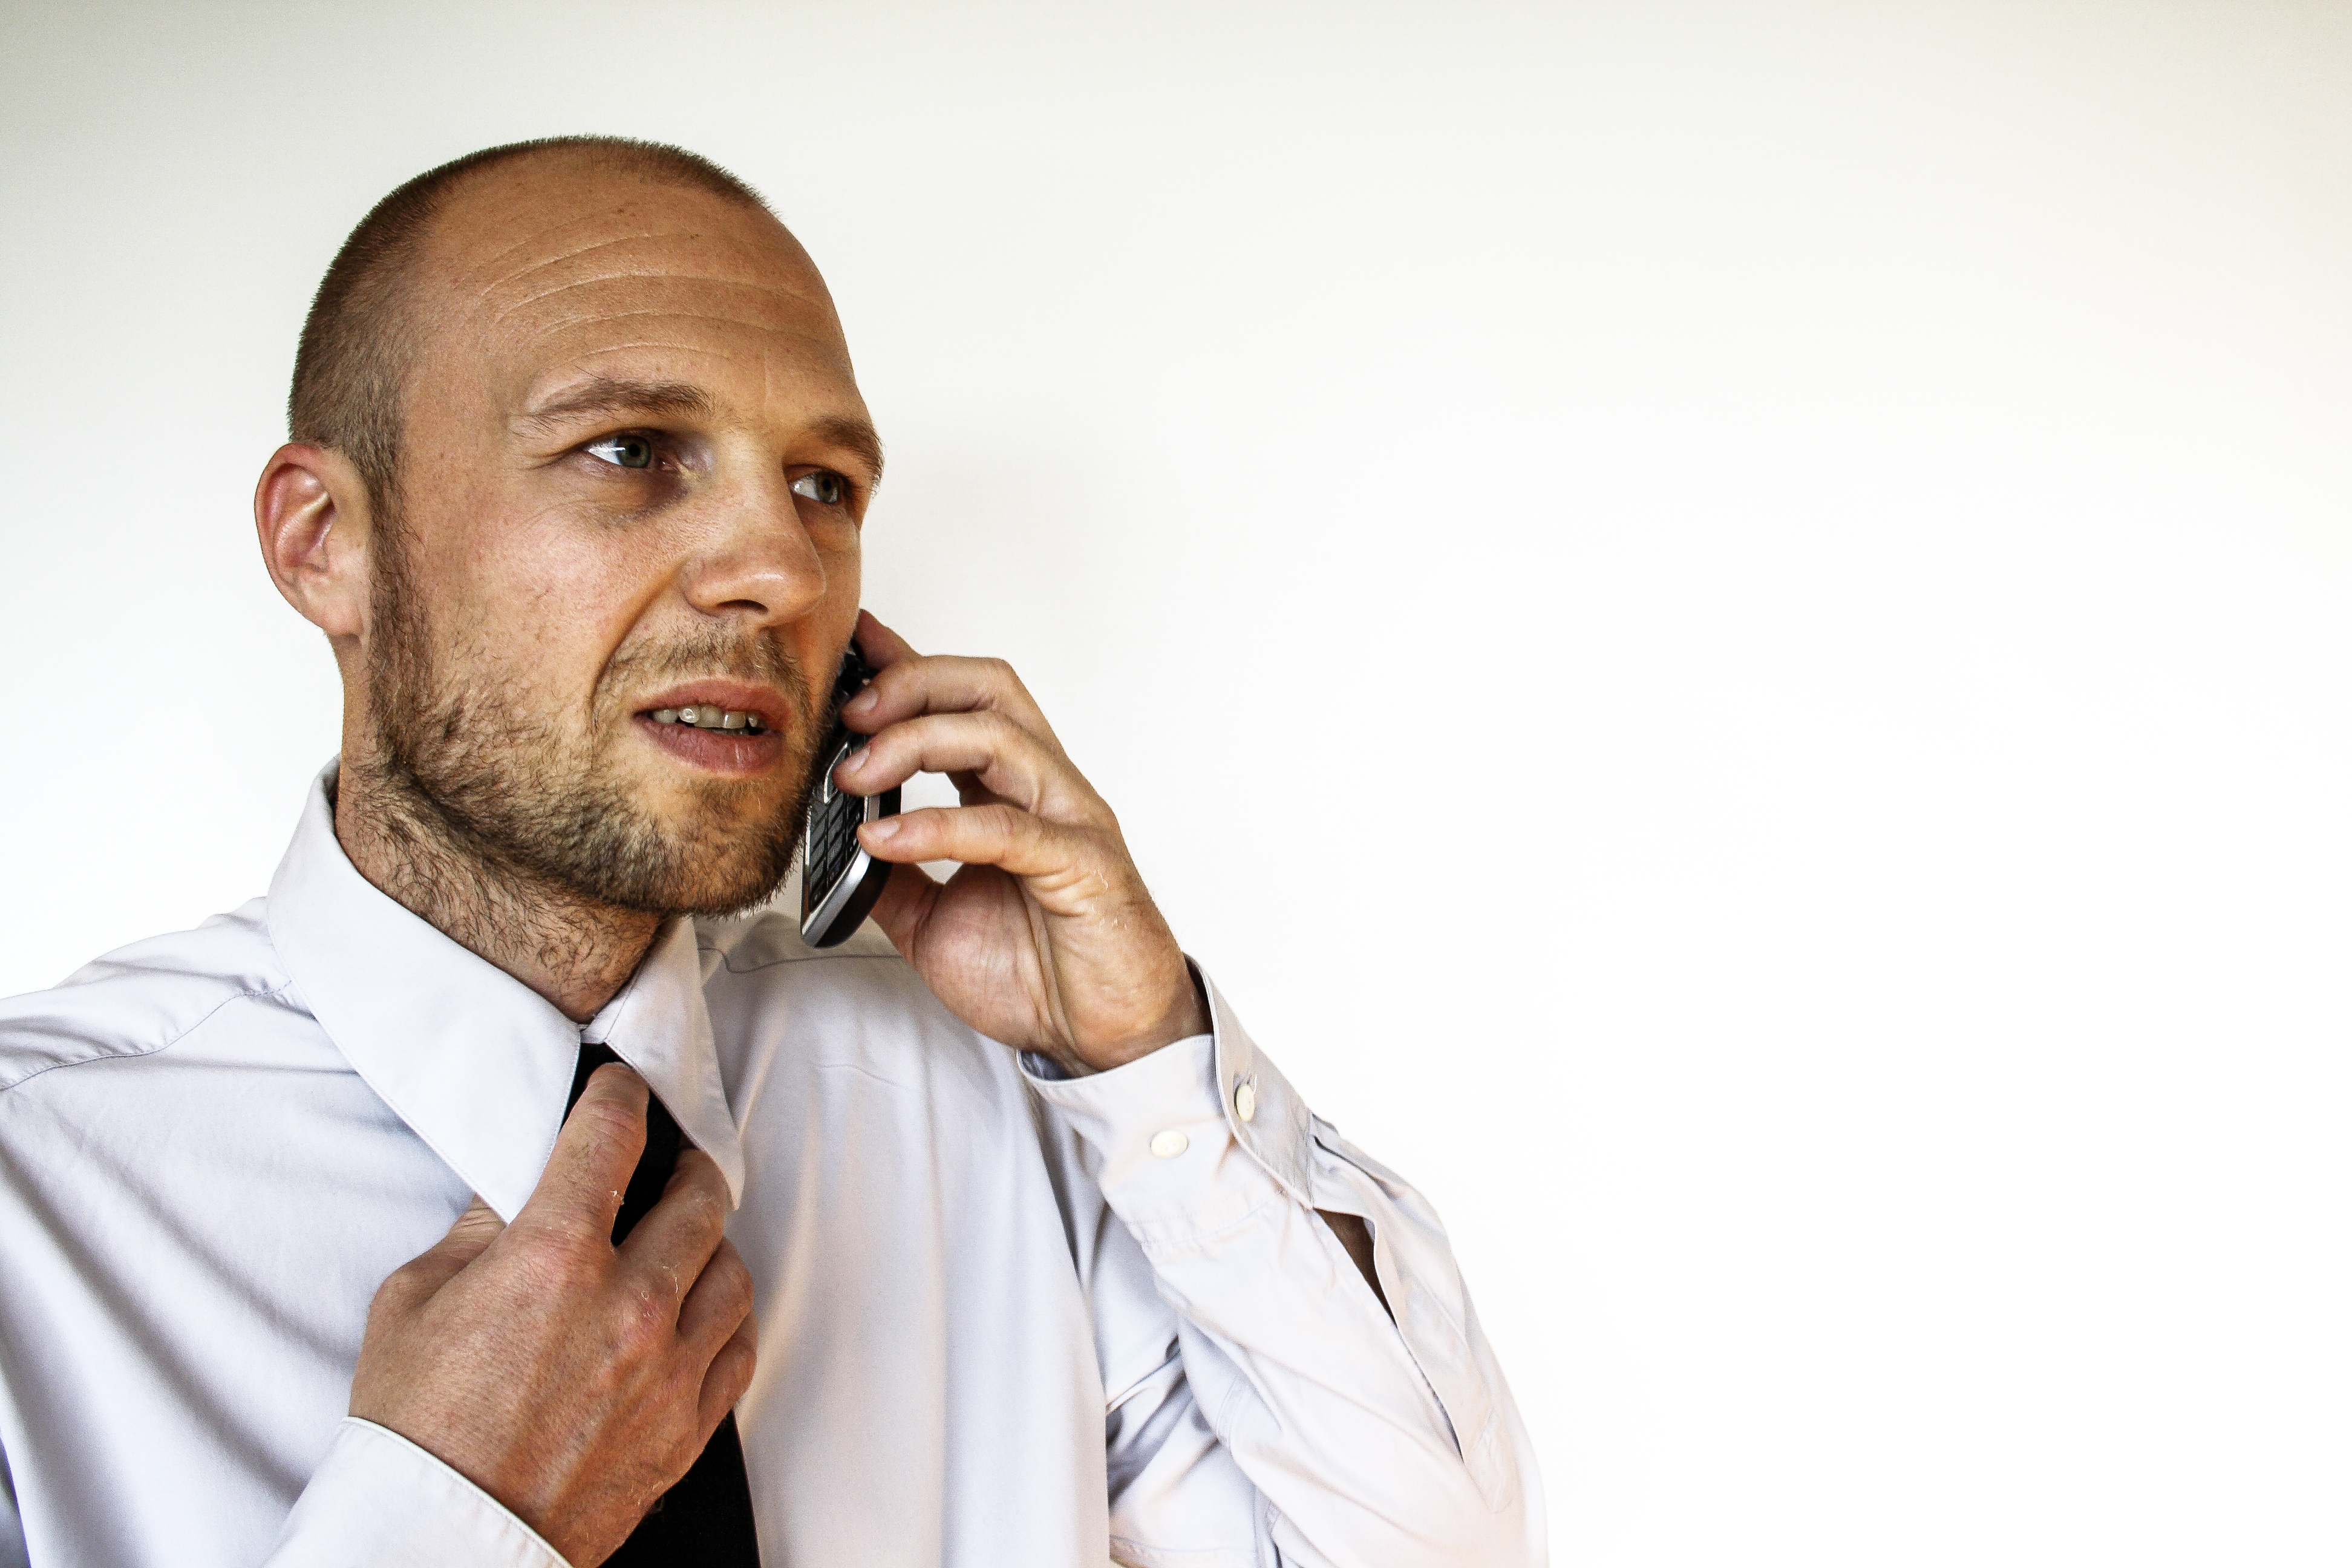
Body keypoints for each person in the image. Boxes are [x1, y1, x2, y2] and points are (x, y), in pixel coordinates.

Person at [0, 136, 1543, 1568]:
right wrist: (456, 1518)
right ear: (323, 542)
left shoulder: (988, 1108)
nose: (777, 570)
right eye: (630, 449)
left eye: (823, 486)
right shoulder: (38, 1208)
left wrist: (1145, 1053)